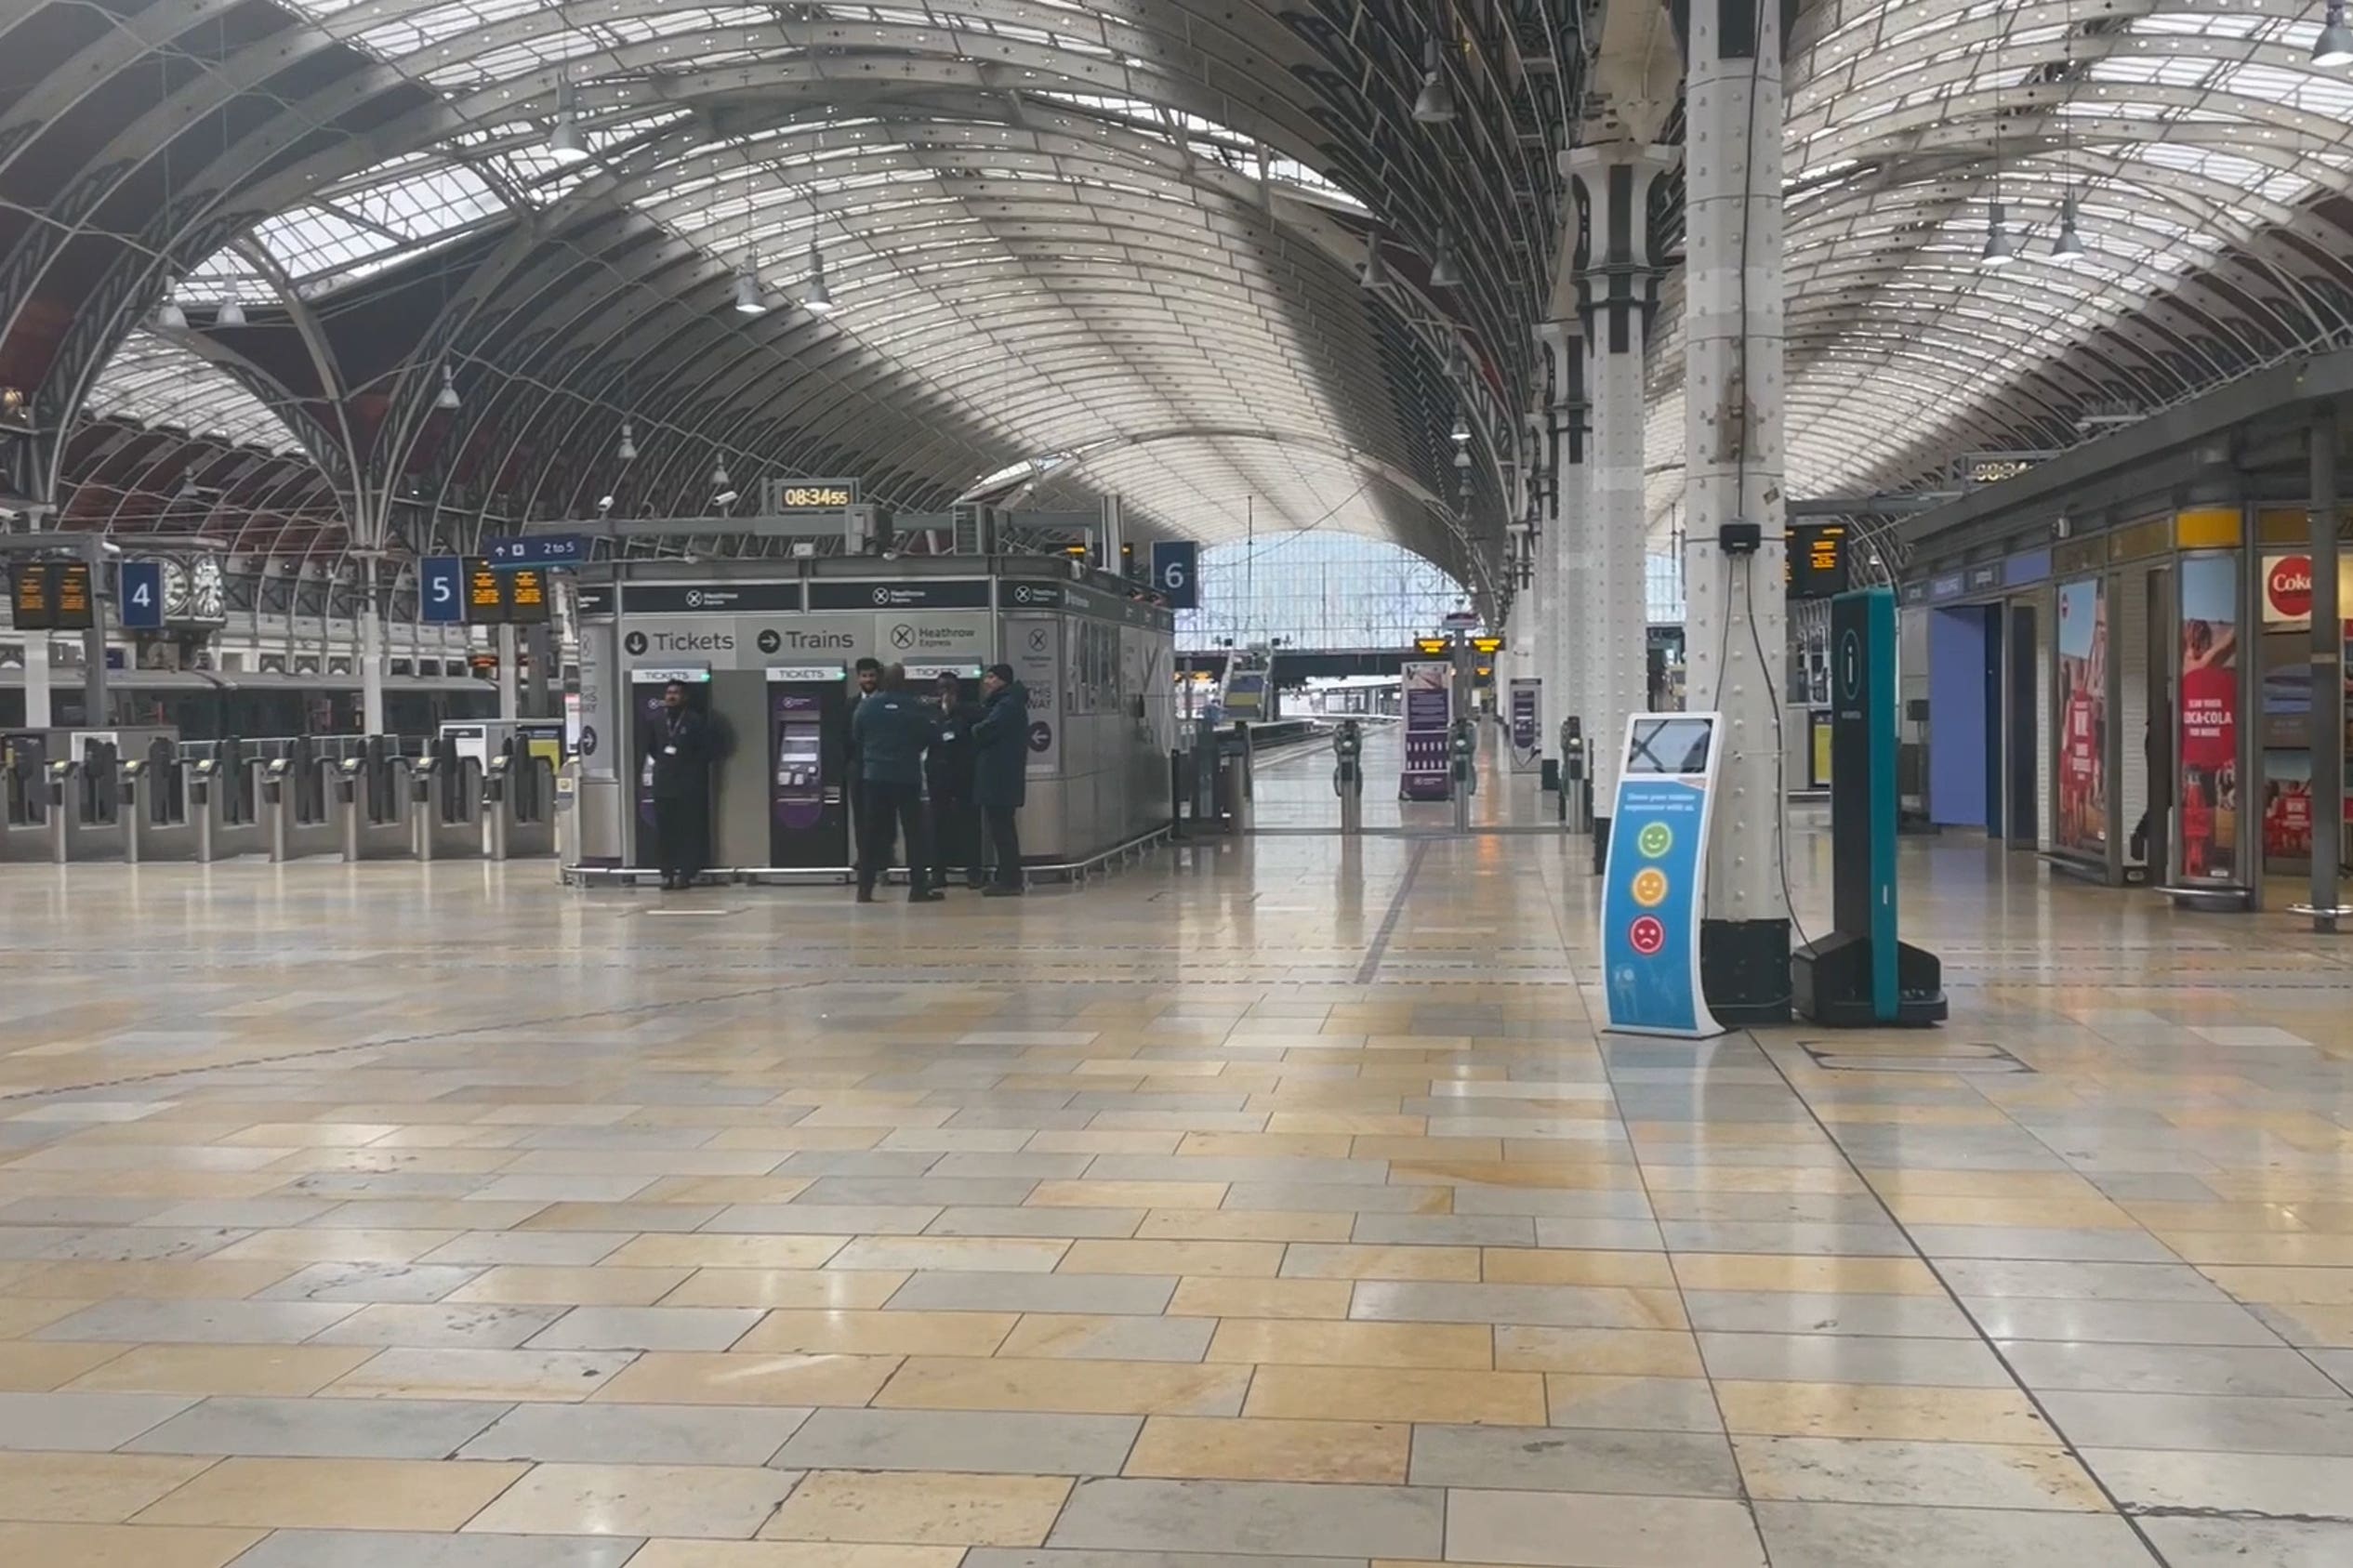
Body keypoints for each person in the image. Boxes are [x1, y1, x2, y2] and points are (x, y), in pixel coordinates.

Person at [849, 663, 941, 903]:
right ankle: (918, 888)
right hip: (906, 776)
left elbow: (857, 736)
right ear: (904, 681)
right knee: (914, 833)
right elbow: (930, 737)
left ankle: (865, 889)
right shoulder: (914, 707)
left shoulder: (866, 707)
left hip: (874, 776)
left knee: (871, 833)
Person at [645, 680, 712, 890]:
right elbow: (652, 748)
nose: (671, 696)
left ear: (685, 697)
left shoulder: (695, 721)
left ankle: (686, 873)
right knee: (665, 830)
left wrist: (690, 766)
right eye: (669, 692)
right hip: (664, 783)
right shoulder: (656, 720)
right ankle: (666, 873)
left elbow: (706, 750)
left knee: (688, 830)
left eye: (676, 693)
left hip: (688, 783)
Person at [971, 662, 1028, 897]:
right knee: (1003, 828)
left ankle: (1010, 879)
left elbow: (986, 730)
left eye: (991, 678)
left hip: (999, 776)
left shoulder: (1007, 705)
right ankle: (1008, 876)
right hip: (1003, 775)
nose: (987, 682)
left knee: (1002, 829)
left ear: (1003, 680)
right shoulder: (1007, 702)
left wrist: (973, 729)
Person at [928, 671, 985, 889]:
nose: (945, 693)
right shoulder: (930, 712)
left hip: (964, 773)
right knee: (938, 823)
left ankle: (974, 871)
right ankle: (938, 871)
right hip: (938, 773)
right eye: (942, 688)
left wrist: (955, 711)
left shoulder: (970, 710)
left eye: (950, 688)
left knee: (970, 822)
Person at [844, 658, 882, 882]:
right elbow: (842, 736)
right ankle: (865, 858)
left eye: (872, 676)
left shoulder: (886, 703)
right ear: (858, 678)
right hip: (858, 768)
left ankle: (882, 856)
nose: (868, 680)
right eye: (864, 676)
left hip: (879, 767)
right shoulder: (850, 705)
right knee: (860, 816)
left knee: (880, 816)